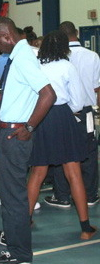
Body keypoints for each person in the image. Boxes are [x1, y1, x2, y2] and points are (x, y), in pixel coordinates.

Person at [0, 17, 56, 264]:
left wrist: (29, 126)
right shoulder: (19, 56)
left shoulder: (24, 57)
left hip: (16, 135)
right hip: (11, 132)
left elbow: (48, 94)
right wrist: (1, 97)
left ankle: (19, 255)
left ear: (7, 36)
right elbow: (25, 91)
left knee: (13, 198)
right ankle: (16, 250)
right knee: (11, 196)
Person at [26, 30, 96, 240]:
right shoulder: (68, 66)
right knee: (73, 172)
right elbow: (77, 100)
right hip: (62, 118)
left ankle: (25, 221)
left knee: (37, 172)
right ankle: (85, 228)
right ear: (64, 47)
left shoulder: (38, 66)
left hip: (41, 118)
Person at [44, 21, 100, 208]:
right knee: (89, 153)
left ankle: (62, 196)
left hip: (61, 113)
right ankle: (91, 195)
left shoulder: (53, 58)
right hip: (85, 111)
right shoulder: (92, 56)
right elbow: (96, 87)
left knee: (63, 154)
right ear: (77, 32)